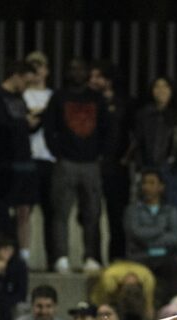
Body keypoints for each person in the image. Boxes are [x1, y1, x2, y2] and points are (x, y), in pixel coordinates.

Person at [44, 58, 110, 273]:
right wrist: (58, 153)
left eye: (80, 68)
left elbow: (106, 129)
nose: (76, 72)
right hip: (66, 162)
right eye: (72, 68)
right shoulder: (59, 97)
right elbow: (48, 128)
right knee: (61, 212)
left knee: (92, 212)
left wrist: (99, 153)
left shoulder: (97, 98)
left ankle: (91, 257)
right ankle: (61, 257)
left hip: (90, 163)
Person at [0, 61, 38, 260]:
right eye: (26, 81)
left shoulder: (19, 98)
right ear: (16, 75)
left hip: (24, 159)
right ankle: (1, 251)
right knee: (1, 210)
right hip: (5, 163)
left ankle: (23, 253)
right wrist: (22, 123)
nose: (27, 86)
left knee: (25, 209)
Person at [88, 60, 132, 262]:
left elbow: (132, 134)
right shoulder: (88, 101)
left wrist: (126, 158)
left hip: (117, 167)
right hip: (93, 165)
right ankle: (93, 257)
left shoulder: (124, 102)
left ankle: (117, 257)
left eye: (97, 76)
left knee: (117, 216)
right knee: (91, 214)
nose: (92, 80)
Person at [132, 76, 177, 209]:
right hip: (148, 170)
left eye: (165, 86)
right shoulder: (144, 115)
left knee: (174, 210)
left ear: (171, 90)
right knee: (149, 211)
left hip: (171, 170)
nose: (161, 90)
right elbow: (137, 142)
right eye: (157, 86)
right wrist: (141, 166)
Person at [124, 169, 177, 306]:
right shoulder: (133, 210)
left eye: (152, 183)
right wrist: (160, 229)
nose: (147, 187)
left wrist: (149, 239)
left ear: (161, 187)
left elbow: (174, 237)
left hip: (165, 256)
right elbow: (135, 234)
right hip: (141, 256)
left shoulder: (170, 211)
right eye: (144, 183)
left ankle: (174, 308)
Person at [23, 52, 56, 264]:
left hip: (50, 158)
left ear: (46, 70)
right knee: (24, 209)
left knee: (51, 210)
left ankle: (53, 256)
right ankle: (23, 254)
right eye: (32, 67)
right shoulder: (23, 95)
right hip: (28, 157)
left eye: (40, 67)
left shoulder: (53, 96)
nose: (36, 72)